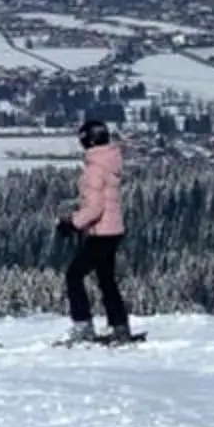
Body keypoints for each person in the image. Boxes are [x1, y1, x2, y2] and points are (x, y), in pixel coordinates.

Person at [57, 115, 134, 342]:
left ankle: (83, 325)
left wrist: (72, 222)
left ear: (88, 141)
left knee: (74, 275)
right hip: (113, 229)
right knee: (106, 280)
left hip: (100, 232)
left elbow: (95, 207)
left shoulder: (95, 167)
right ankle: (120, 326)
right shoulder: (110, 160)